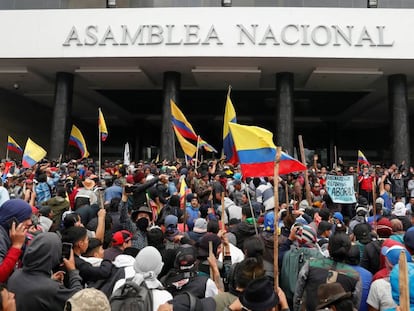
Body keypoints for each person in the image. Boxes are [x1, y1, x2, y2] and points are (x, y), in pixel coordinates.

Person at [7, 232, 83, 310]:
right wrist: (73, 271)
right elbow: (80, 300)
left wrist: (49, 280)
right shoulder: (52, 289)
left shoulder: (16, 275)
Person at [293, 231, 361, 311]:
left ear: (328, 247)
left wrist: (297, 308)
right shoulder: (355, 276)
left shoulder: (311, 265)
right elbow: (355, 305)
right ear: (348, 250)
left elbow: (298, 294)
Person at [0, 199, 32, 283]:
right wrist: (16, 246)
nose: (30, 222)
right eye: (26, 218)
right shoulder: (1, 237)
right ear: (12, 221)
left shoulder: (15, 234)